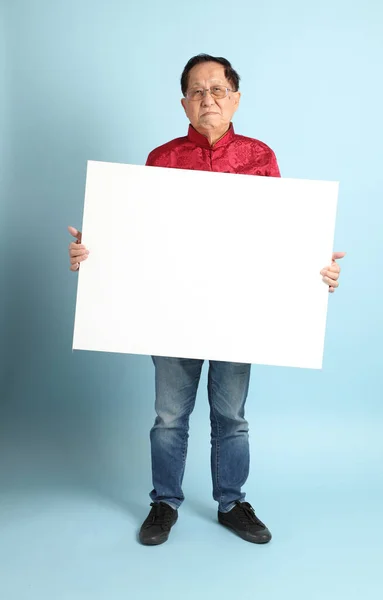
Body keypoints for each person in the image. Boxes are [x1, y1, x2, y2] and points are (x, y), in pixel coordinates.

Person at [68, 54, 345, 546]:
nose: (207, 99)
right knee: (169, 416)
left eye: (217, 89)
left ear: (235, 98)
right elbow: (135, 234)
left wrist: (315, 267)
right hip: (171, 309)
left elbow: (282, 235)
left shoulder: (260, 157)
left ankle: (232, 501)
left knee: (231, 416)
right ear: (184, 104)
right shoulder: (162, 158)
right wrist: (94, 253)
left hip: (237, 310)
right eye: (197, 91)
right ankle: (164, 502)